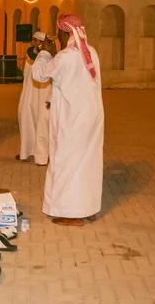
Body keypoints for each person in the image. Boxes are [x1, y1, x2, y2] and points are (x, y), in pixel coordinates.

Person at [32, 14, 104, 227]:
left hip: (72, 119)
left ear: (65, 33)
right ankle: (88, 208)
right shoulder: (91, 52)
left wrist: (44, 52)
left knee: (67, 163)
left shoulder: (65, 56)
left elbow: (40, 75)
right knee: (88, 162)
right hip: (91, 117)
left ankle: (71, 213)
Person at [17, 31, 52, 165]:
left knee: (42, 122)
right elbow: (32, 53)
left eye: (36, 41)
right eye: (33, 40)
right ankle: (27, 150)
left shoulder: (48, 56)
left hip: (43, 94)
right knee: (26, 119)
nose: (33, 43)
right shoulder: (33, 52)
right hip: (29, 93)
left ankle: (43, 153)